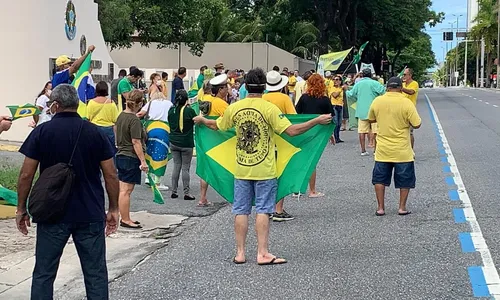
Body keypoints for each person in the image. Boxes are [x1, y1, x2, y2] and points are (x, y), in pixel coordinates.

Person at [193, 68, 332, 265]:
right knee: (263, 210)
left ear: (245, 86)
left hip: (241, 167)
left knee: (240, 210)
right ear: (264, 86)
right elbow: (291, 131)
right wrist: (317, 120)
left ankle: (240, 253)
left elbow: (218, 126)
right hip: (265, 168)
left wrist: (202, 120)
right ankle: (262, 253)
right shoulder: (269, 109)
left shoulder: (236, 107)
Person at [16, 84, 119, 299]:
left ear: (55, 105)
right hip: (89, 212)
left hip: (52, 213)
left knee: (44, 273)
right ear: (78, 104)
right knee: (95, 274)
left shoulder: (42, 132)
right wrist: (114, 208)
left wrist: (21, 208)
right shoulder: (94, 132)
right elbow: (110, 174)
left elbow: (26, 175)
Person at [367, 77, 422, 216]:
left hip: (383, 149)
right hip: (402, 149)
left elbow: (371, 118)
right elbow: (417, 124)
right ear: (400, 87)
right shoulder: (406, 102)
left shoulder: (378, 101)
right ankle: (402, 207)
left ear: (387, 87)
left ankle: (380, 208)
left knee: (379, 178)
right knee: (405, 179)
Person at [262, 71, 296, 222]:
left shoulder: (262, 98)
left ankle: (266, 208)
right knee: (281, 175)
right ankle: (278, 209)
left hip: (263, 141)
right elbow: (293, 118)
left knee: (266, 176)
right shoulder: (284, 98)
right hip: (281, 141)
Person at [296, 73, 334, 198]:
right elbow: (330, 117)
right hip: (318, 133)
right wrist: (330, 134)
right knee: (312, 161)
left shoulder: (304, 98)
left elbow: (297, 113)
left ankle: (298, 188)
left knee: (301, 159)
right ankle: (312, 190)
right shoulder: (325, 100)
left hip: (304, 130)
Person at [115, 90, 149, 229]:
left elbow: (116, 130)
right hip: (130, 156)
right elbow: (136, 141)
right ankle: (125, 219)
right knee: (126, 190)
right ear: (140, 103)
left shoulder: (121, 116)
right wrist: (143, 161)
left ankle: (123, 216)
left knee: (122, 189)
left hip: (121, 153)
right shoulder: (134, 120)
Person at [198, 75, 230, 206]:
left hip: (206, 138)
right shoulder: (221, 104)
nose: (228, 89)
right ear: (221, 89)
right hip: (220, 139)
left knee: (206, 167)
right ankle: (230, 194)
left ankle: (202, 197)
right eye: (226, 87)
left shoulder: (204, 100)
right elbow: (229, 122)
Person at [137, 91, 173, 190]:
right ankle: (158, 182)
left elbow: (140, 114)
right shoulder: (168, 103)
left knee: (149, 153)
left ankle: (148, 177)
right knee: (161, 156)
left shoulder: (150, 103)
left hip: (150, 130)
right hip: (164, 130)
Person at [345, 68, 385, 156]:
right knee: (376, 132)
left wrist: (346, 90)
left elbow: (350, 94)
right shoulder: (375, 83)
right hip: (374, 111)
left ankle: (363, 150)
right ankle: (375, 150)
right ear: (371, 75)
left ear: (362, 75)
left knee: (361, 131)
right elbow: (383, 91)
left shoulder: (358, 84)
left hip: (361, 111)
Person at [168, 90, 197, 200]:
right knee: (185, 168)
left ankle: (174, 191)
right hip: (186, 142)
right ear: (186, 99)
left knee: (176, 166)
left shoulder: (171, 110)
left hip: (174, 141)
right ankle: (186, 192)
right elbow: (196, 121)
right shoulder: (189, 111)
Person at [87, 81, 119, 149]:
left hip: (95, 128)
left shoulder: (91, 102)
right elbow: (115, 121)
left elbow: (88, 118)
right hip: (108, 130)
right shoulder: (111, 103)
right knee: (110, 151)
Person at [401, 68, 419, 149]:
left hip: (410, 111)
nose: (403, 76)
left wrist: (401, 88)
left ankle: (411, 151)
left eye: (405, 74)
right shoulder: (403, 84)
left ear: (410, 75)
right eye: (403, 74)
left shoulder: (414, 83)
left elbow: (411, 92)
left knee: (410, 132)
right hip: (400, 110)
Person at [329, 75, 344, 143]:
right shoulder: (332, 88)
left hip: (340, 105)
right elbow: (334, 95)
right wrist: (341, 89)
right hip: (334, 105)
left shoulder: (341, 88)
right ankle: (335, 137)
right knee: (336, 123)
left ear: (340, 81)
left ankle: (338, 137)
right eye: (334, 79)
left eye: (337, 79)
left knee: (339, 123)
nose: (335, 81)